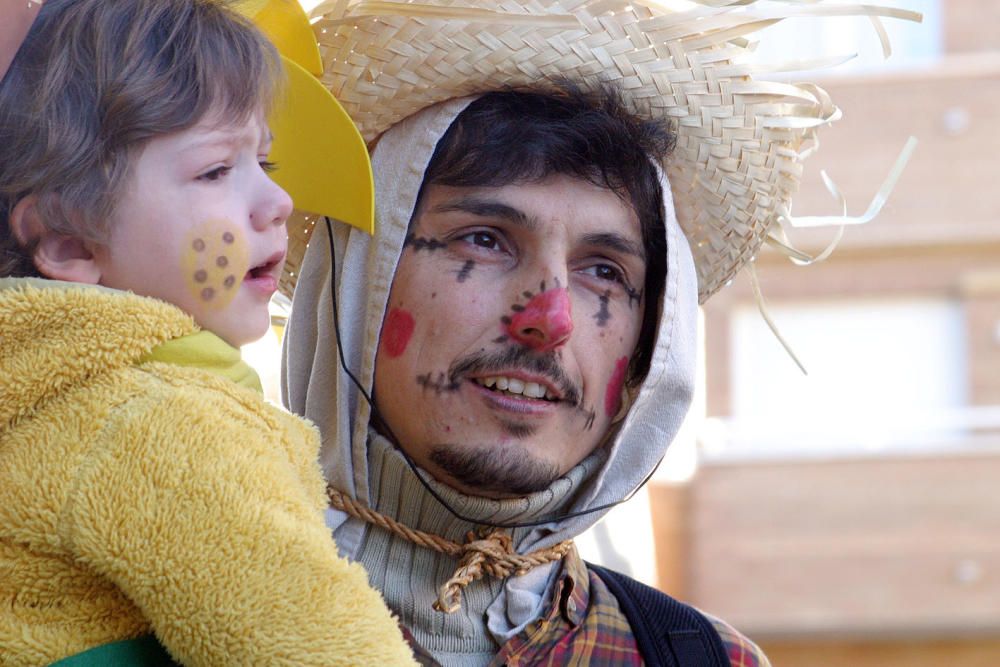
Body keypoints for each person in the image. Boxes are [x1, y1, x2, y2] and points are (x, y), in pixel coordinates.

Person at [281, 2, 918, 665]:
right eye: (485, 239)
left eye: (603, 271)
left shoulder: (705, 659)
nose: (548, 319)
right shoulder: (183, 615)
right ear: (358, 280)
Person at [0, 1, 415, 665]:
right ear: (69, 239)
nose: (277, 202)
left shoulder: (40, 398)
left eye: (266, 164)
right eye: (216, 170)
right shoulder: (167, 425)